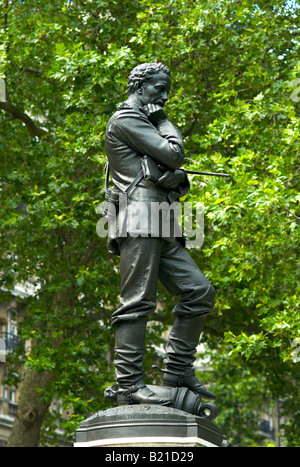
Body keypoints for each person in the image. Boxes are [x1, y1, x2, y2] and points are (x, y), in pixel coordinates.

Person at [104, 62, 216, 406]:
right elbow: (173, 153)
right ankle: (128, 385)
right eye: (159, 88)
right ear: (140, 87)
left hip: (161, 220)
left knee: (198, 291)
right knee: (137, 302)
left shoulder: (141, 120)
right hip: (139, 217)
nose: (164, 96)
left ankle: (178, 372)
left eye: (167, 90)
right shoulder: (126, 118)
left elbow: (172, 170)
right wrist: (164, 122)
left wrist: (175, 176)